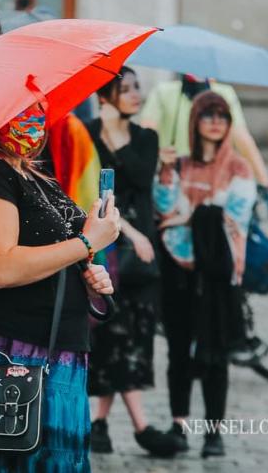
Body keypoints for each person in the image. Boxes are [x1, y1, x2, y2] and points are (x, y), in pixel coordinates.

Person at [0, 101, 119, 472]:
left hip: (53, 355)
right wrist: (84, 244)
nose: (35, 117)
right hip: (3, 354)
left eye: (41, 106)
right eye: (21, 107)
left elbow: (52, 254)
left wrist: (88, 275)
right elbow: (0, 266)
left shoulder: (33, 173)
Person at [153, 91, 256, 458]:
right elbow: (164, 208)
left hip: (218, 279)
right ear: (194, 121)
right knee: (179, 351)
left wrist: (189, 216)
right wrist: (164, 171)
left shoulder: (239, 169)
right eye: (207, 115)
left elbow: (235, 219)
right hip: (178, 271)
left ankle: (214, 432)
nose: (216, 121)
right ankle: (178, 424)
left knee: (215, 355)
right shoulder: (179, 165)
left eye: (222, 116)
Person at [85, 67, 178, 457]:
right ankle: (131, 426)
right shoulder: (85, 134)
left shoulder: (146, 137)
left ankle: (101, 423)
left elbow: (138, 176)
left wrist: (111, 136)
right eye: (124, 88)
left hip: (140, 257)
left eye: (137, 87)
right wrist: (102, 131)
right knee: (106, 332)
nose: (136, 94)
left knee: (133, 335)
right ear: (104, 96)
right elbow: (86, 188)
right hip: (105, 250)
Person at [140, 74, 268, 187]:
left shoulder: (164, 90)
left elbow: (242, 139)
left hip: (205, 176)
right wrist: (265, 183)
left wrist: (264, 181)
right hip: (178, 175)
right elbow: (147, 130)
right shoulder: (164, 91)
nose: (216, 121)